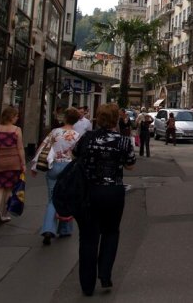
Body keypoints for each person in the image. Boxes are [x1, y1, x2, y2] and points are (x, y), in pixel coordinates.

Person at [73, 103, 136, 296]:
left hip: (89, 191)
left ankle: (86, 285)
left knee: (88, 237)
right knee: (110, 232)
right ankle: (105, 274)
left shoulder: (87, 137)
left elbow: (75, 154)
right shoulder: (123, 141)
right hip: (113, 192)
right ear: (116, 119)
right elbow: (130, 166)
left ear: (98, 119)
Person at [31, 107, 82, 245]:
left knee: (52, 198)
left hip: (53, 166)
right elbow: (79, 155)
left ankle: (48, 228)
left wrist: (35, 165)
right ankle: (65, 229)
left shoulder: (54, 132)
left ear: (64, 118)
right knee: (67, 198)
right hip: (69, 168)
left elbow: (43, 146)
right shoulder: (77, 136)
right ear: (76, 121)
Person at [0, 106, 26, 225]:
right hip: (13, 162)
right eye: (16, 116)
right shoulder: (16, 130)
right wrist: (23, 163)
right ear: (11, 117)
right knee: (9, 188)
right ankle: (4, 215)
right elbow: (20, 148)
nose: (17, 118)